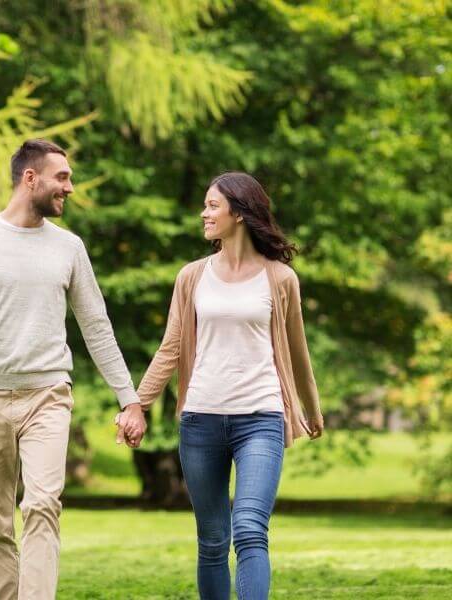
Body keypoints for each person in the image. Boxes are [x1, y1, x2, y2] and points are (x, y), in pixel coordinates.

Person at [0, 139, 146, 600]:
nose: (69, 187)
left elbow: (96, 326)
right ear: (30, 178)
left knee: (44, 505)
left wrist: (128, 396)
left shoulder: (69, 248)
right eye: (62, 177)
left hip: (47, 395)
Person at [132, 171, 324, 600]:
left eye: (212, 205)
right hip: (201, 420)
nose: (204, 213)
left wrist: (310, 408)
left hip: (261, 417)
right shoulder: (192, 277)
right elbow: (170, 348)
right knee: (213, 540)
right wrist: (137, 404)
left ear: (239, 213)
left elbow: (297, 351)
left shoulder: (280, 279)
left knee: (251, 528)